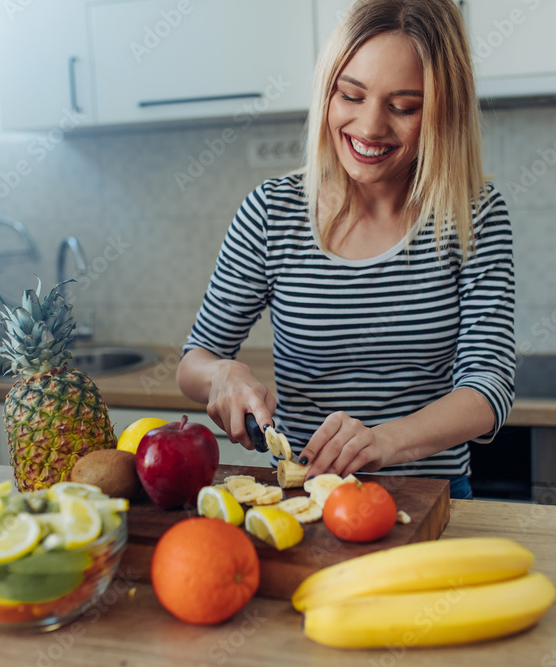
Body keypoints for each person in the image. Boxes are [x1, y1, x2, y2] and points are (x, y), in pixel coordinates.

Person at [176, 0, 515, 499]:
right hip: (303, 497)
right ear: (327, 90)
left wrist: (382, 443)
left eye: (404, 107)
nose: (370, 127)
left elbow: (488, 386)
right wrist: (223, 374)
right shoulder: (272, 212)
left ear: (445, 112)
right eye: (351, 95)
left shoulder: (474, 214)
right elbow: (193, 364)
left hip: (430, 493)